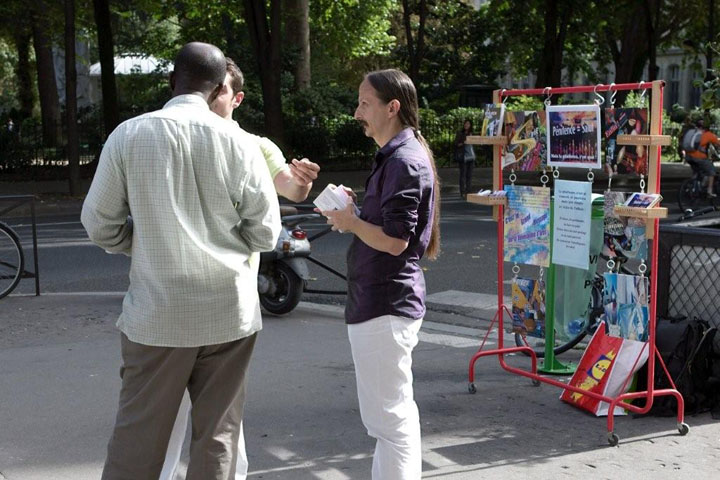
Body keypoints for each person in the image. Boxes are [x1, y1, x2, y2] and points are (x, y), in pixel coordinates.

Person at [81, 42, 281, 480]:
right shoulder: (240, 143)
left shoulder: (129, 135)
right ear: (216, 90)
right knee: (218, 438)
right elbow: (265, 232)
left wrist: (147, 242)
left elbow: (98, 223)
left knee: (138, 438)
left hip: (158, 313)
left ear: (172, 81)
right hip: (230, 311)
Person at [160, 57, 320, 480]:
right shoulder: (170, 136)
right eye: (208, 89)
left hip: (229, 300)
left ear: (237, 98)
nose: (210, 98)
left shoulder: (254, 146)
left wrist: (302, 182)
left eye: (220, 91)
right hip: (176, 297)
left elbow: (289, 187)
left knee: (224, 417)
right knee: (168, 414)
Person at [320, 69, 440, 479]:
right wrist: (357, 213)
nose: (357, 113)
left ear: (393, 107)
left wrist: (353, 222)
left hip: (385, 303)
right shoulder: (398, 156)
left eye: (364, 103)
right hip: (382, 302)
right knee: (390, 420)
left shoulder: (404, 161)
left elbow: (395, 241)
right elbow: (390, 228)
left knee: (389, 421)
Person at [685, 118, 720, 197]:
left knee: (697, 172)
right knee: (712, 172)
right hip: (699, 157)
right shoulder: (708, 134)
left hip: (688, 157)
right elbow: (718, 143)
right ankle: (709, 191)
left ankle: (691, 186)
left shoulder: (692, 133)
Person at [454, 119, 475, 196]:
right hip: (463, 156)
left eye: (468, 124)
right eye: (465, 124)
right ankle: (462, 191)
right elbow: (456, 144)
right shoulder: (460, 133)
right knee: (463, 174)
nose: (467, 125)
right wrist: (463, 142)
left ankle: (468, 191)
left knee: (469, 175)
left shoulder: (472, 133)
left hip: (471, 156)